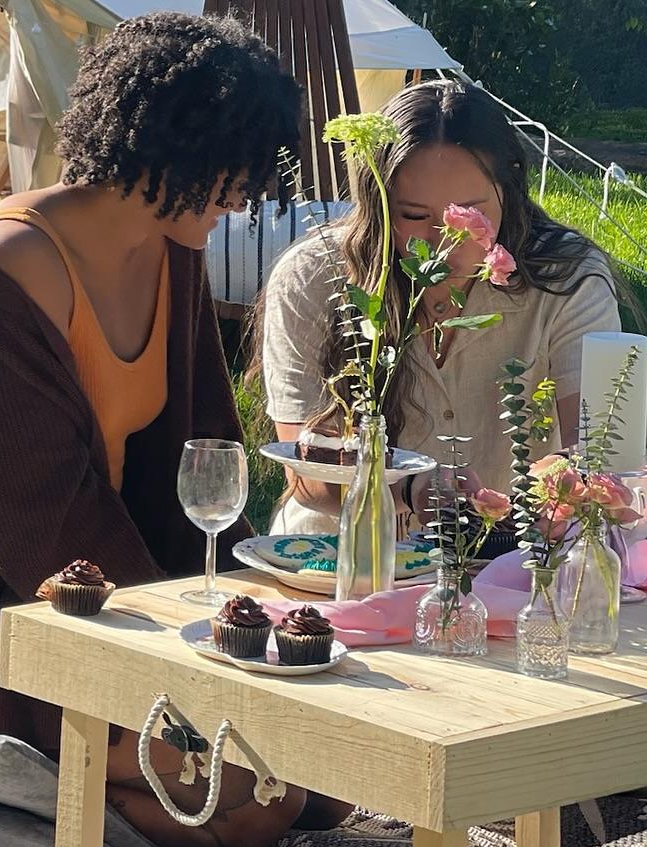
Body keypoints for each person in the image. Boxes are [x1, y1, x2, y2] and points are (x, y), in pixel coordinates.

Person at [0, 11, 349, 847]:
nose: (243, 196)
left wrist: (245, 617)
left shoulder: (174, 247)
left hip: (133, 603)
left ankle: (76, 790)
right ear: (166, 147)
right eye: (231, 169)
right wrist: (191, 660)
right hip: (3, 624)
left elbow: (204, 462)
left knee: (325, 776)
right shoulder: (1, 268)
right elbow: (39, 528)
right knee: (252, 795)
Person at [259, 78, 621, 534]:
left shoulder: (565, 277)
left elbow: (599, 447)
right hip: (332, 557)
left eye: (470, 214)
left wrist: (563, 487)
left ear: (509, 191)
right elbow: (304, 475)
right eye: (413, 216)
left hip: (501, 559)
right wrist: (410, 489)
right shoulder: (314, 276)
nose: (441, 245)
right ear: (377, 206)